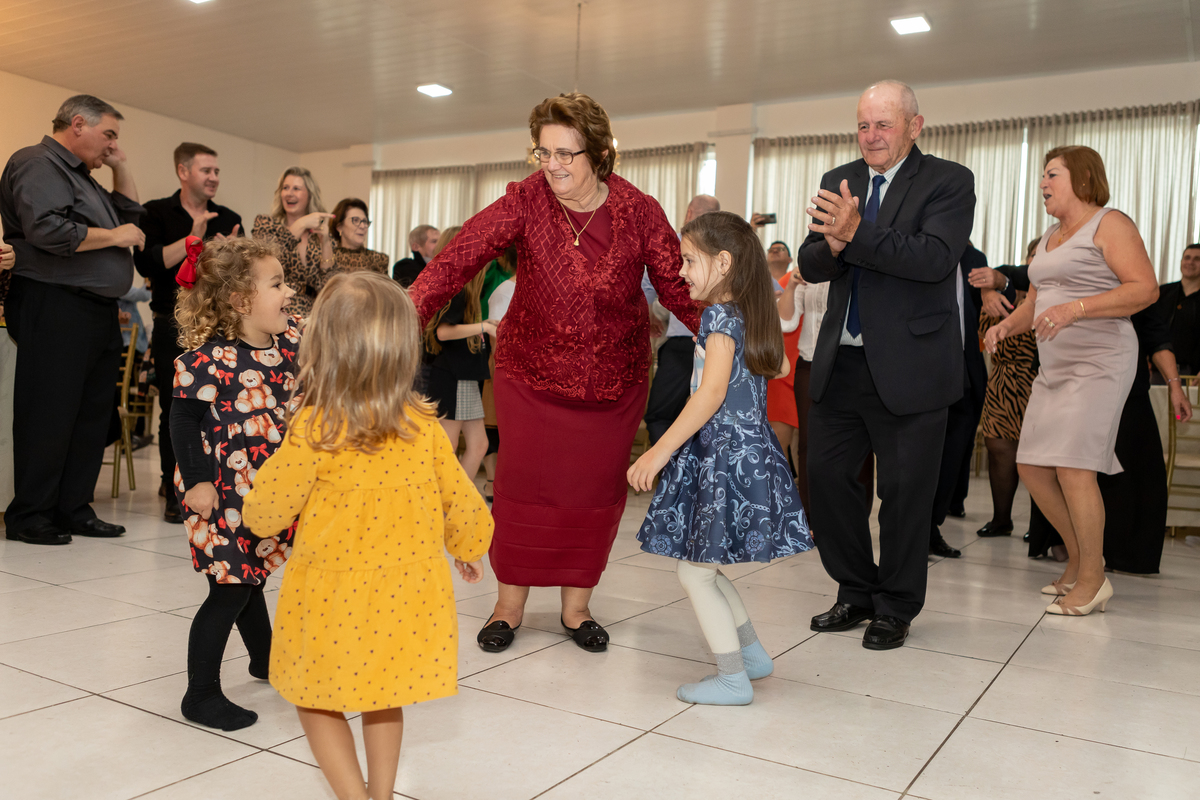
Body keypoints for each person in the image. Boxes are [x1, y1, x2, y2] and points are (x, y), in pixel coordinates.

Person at [409, 92, 699, 654]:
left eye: (566, 153)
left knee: (593, 497)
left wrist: (726, 328)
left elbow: (675, 285)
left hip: (613, 384)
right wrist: (404, 311)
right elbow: (458, 257)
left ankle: (577, 610)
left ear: (600, 153)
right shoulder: (525, 200)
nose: (553, 165)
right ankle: (507, 608)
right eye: (544, 152)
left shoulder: (640, 211)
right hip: (532, 378)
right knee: (523, 492)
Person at [243, 271, 492, 800]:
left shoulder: (316, 428)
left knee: (315, 697)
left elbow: (266, 514)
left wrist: (255, 501)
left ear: (323, 348)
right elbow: (464, 502)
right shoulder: (423, 427)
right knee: (385, 696)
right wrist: (468, 549)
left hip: (330, 599)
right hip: (405, 597)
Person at [800, 80, 975, 650]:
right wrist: (833, 244)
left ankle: (896, 605)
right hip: (841, 363)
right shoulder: (839, 179)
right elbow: (810, 261)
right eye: (863, 125)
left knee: (904, 495)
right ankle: (855, 590)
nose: (871, 136)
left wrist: (855, 234)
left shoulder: (949, 181)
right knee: (826, 481)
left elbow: (933, 259)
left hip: (912, 367)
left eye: (884, 124)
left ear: (914, 126)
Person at [630, 211, 812, 705]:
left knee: (695, 571)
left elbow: (710, 395)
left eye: (690, 260)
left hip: (722, 452)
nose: (682, 271)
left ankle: (733, 678)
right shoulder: (750, 313)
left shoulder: (718, 316)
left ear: (724, 262)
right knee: (705, 565)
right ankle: (751, 657)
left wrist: (659, 451)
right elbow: (781, 364)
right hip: (749, 449)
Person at [984, 145, 1158, 616]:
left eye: (1052, 174)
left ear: (1081, 179)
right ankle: (1080, 558)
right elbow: (1037, 301)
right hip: (1054, 367)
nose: (1043, 183)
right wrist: (1006, 326)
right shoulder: (1049, 236)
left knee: (1075, 467)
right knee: (1032, 465)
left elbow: (1145, 289)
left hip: (1100, 360)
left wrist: (1076, 309)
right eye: (1042, 175)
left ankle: (1094, 579)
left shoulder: (1109, 224)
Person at [1, 94, 145, 546]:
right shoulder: (39, 163)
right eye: (109, 135)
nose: (112, 144)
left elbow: (131, 218)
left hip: (97, 309)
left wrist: (119, 165)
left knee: (91, 415)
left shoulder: (84, 177)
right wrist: (114, 236)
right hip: (55, 303)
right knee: (49, 413)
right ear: (78, 124)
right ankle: (31, 515)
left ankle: (74, 508)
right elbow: (48, 230)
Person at [170, 236, 300, 730]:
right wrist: (198, 483)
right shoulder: (209, 359)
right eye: (277, 284)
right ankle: (200, 694)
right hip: (220, 489)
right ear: (242, 302)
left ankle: (265, 661)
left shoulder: (290, 343)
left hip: (266, 490)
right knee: (230, 587)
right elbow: (183, 422)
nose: (289, 292)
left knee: (250, 576)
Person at [135, 142, 242, 523]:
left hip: (220, 328)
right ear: (183, 171)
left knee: (216, 409)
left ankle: (214, 482)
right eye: (206, 170)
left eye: (217, 171)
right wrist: (191, 240)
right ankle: (172, 487)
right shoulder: (155, 212)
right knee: (175, 407)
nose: (214, 177)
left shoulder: (228, 217)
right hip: (172, 324)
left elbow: (239, 278)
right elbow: (147, 264)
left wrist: (230, 256)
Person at [968, 239, 1042, 540]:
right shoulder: (1002, 288)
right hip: (1002, 378)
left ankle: (1042, 528)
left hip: (1036, 379)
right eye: (1033, 254)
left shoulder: (1048, 292)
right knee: (998, 448)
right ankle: (1001, 519)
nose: (1036, 259)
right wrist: (988, 290)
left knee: (1039, 454)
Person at [422, 226, 496, 493]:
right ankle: (442, 504)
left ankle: (456, 502)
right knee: (447, 446)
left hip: (464, 376)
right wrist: (484, 327)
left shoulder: (462, 288)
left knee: (478, 445)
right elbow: (443, 332)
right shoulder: (455, 289)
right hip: (452, 376)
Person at [643, 194, 720, 444]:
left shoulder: (675, 245)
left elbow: (646, 286)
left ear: (688, 214)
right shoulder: (725, 247)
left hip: (684, 342)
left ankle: (670, 467)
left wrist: (649, 315)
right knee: (712, 417)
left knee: (661, 414)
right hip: (721, 340)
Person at [927, 243, 988, 559]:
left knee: (953, 454)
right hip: (924, 364)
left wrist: (995, 288)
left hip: (964, 365)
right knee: (922, 454)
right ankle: (912, 530)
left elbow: (985, 306)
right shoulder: (920, 246)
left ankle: (931, 528)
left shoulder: (974, 259)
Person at [252, 167, 333, 317]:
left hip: (314, 313)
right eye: (285, 188)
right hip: (276, 309)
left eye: (296, 188)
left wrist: (326, 242)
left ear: (310, 195)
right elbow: (263, 263)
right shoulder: (266, 224)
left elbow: (329, 285)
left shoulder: (318, 235)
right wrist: (301, 224)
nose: (289, 193)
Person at [764, 240, 801, 473]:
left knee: (800, 447)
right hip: (778, 370)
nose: (775, 250)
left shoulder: (799, 278)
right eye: (772, 248)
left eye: (782, 249)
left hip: (801, 367)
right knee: (776, 443)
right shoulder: (763, 282)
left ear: (790, 258)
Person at [318, 197, 388, 294]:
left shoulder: (379, 259)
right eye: (355, 220)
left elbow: (385, 296)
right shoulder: (326, 257)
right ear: (339, 227)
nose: (363, 226)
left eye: (365, 221)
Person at [1153, 243, 1200, 376]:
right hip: (1159, 371)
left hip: (1193, 374)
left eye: (1197, 259)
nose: (1190, 262)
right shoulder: (1162, 293)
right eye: (1187, 258)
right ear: (1181, 262)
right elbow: (1148, 328)